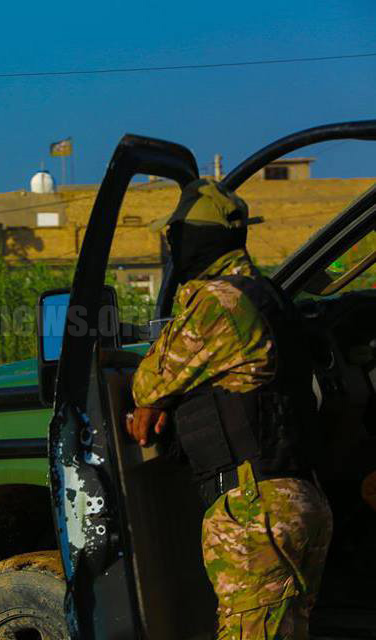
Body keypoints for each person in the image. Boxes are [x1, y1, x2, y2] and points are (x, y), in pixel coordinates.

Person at [126, 178, 333, 640]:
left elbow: (148, 382)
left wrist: (160, 402)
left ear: (194, 240)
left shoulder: (220, 302)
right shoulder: (268, 295)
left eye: (175, 237)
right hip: (299, 498)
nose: (172, 248)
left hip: (255, 511)